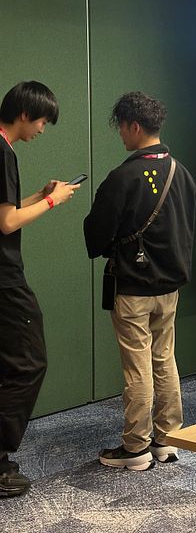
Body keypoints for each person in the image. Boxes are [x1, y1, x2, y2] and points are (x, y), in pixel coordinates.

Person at [84, 92, 196, 471]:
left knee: (138, 366)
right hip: (170, 286)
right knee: (165, 358)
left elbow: (97, 235)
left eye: (120, 127)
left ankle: (136, 447)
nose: (121, 135)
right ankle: (168, 438)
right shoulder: (182, 172)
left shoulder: (124, 176)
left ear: (133, 126)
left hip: (133, 286)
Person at [0, 81, 79, 497]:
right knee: (30, 363)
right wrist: (54, 202)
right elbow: (8, 223)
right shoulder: (3, 151)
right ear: (25, 113)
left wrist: (38, 194)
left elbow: (7, 210)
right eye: (43, 120)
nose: (43, 129)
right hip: (5, 279)